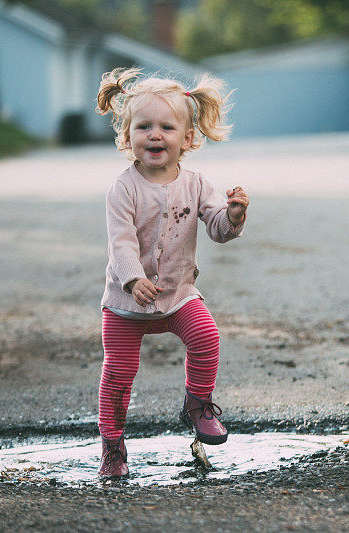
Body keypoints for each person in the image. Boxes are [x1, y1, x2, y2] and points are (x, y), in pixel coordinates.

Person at [94, 67, 248, 477]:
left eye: (167, 127)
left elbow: (217, 228)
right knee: (119, 377)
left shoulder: (197, 183)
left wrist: (232, 215)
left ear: (188, 139)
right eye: (144, 126)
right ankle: (112, 445)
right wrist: (132, 278)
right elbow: (121, 241)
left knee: (206, 335)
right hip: (127, 303)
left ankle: (197, 404)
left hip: (178, 295)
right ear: (128, 137)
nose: (155, 135)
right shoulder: (123, 189)